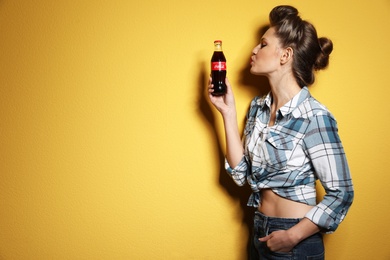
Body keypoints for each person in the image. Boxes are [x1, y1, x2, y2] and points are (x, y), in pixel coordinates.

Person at [208, 5, 354, 260]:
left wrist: (293, 236)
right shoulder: (257, 109)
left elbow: (342, 193)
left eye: (262, 44)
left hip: (295, 240)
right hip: (259, 230)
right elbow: (241, 175)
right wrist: (227, 113)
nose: (253, 50)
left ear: (285, 55)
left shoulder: (314, 116)